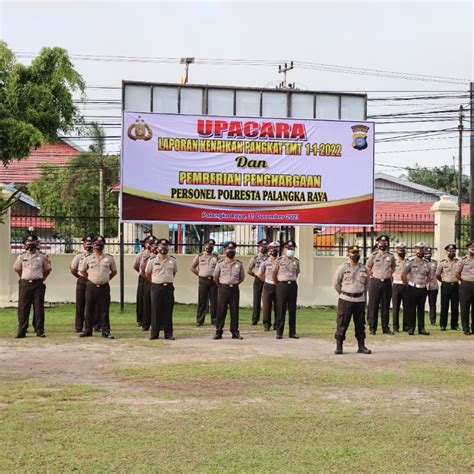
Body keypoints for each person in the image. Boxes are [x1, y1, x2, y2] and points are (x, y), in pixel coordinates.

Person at [333, 245, 371, 354]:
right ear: (348, 254)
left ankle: (361, 346)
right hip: (345, 299)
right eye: (353, 253)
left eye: (357, 253)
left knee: (360, 324)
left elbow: (367, 285)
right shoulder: (343, 268)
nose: (356, 255)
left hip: (359, 300)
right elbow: (336, 283)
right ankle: (339, 346)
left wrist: (359, 292)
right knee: (342, 323)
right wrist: (344, 293)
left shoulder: (363, 268)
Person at [13, 234, 52, 338]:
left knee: (39, 308)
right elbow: (17, 269)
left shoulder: (42, 257)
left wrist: (42, 278)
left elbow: (47, 269)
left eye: (32, 242)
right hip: (25, 284)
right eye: (28, 242)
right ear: (25, 244)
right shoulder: (21, 256)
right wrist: (24, 277)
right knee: (23, 308)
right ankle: (22, 331)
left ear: (36, 243)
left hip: (38, 285)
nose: (30, 244)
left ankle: (39, 330)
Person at [79, 235, 117, 339]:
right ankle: (87, 330)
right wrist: (91, 278)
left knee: (104, 310)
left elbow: (114, 271)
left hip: (104, 287)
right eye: (96, 244)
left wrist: (105, 278)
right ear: (93, 245)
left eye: (100, 244)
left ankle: (105, 331)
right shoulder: (88, 258)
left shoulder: (109, 258)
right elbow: (82, 271)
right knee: (89, 308)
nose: (98, 246)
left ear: (103, 245)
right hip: (91, 286)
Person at [145, 238, 177, 340]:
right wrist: (155, 281)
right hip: (156, 287)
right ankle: (154, 334)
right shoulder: (152, 260)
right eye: (161, 246)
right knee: (155, 310)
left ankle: (169, 334)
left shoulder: (173, 260)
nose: (163, 248)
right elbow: (147, 273)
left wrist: (166, 280)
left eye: (165, 246)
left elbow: (174, 273)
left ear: (168, 247)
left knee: (168, 310)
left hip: (168, 288)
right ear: (157, 247)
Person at [213, 241, 245, 340]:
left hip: (234, 289)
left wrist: (233, 283)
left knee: (234, 311)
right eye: (228, 249)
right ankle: (218, 332)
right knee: (221, 311)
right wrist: (222, 285)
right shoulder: (220, 263)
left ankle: (235, 332)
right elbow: (215, 277)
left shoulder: (239, 264)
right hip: (223, 288)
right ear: (225, 250)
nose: (230, 251)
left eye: (232, 249)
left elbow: (241, 277)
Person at [367, 234, 395, 335]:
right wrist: (372, 277)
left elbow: (393, 268)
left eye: (385, 242)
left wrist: (388, 276)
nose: (383, 244)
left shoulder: (391, 256)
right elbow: (368, 268)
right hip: (375, 282)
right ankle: (372, 328)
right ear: (377, 244)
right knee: (373, 305)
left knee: (385, 306)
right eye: (381, 242)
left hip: (387, 282)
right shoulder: (373, 255)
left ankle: (385, 328)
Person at [401, 242, 431, 335]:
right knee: (412, 309)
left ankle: (421, 329)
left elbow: (429, 276)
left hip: (422, 289)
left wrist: (425, 283)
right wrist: (408, 285)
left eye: (423, 249)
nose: (421, 251)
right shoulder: (410, 262)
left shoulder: (427, 263)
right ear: (415, 250)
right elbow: (403, 275)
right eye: (419, 249)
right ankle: (411, 328)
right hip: (412, 288)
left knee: (421, 309)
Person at [273, 239, 300, 339]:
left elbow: (297, 274)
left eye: (292, 248)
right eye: (289, 248)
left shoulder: (296, 261)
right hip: (282, 285)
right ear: (284, 249)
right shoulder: (279, 261)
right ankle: (279, 332)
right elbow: (274, 274)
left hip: (292, 285)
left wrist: (290, 281)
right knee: (281, 309)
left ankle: (292, 332)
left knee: (292, 310)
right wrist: (278, 284)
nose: (291, 250)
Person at [191, 238, 219, 326]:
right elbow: (192, 268)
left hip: (214, 281)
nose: (209, 247)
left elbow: (220, 268)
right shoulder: (199, 256)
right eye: (207, 245)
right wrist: (199, 274)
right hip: (203, 280)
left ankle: (214, 320)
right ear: (204, 246)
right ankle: (200, 320)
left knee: (214, 301)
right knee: (202, 300)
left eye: (211, 245)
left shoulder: (216, 257)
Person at [70, 235, 94, 333]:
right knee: (80, 304)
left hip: (93, 281)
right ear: (83, 244)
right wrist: (80, 277)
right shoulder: (79, 256)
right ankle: (78, 326)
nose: (88, 245)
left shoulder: (96, 255)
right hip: (82, 280)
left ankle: (94, 325)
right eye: (86, 243)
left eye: (90, 243)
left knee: (93, 304)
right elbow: (73, 269)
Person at [436, 244, 459, 331]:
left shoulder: (458, 262)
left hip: (455, 285)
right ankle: (443, 325)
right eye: (449, 251)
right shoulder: (442, 262)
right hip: (445, 285)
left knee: (455, 306)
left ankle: (454, 325)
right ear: (446, 252)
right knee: (444, 306)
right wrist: (443, 281)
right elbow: (437, 274)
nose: (451, 252)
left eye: (453, 251)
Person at [134, 235, 155, 330]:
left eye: (153, 243)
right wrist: (143, 274)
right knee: (142, 299)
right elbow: (136, 266)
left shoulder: (157, 254)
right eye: (149, 243)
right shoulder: (141, 254)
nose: (151, 245)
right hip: (143, 278)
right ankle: (141, 320)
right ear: (145, 244)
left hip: (154, 278)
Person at [258, 241, 279, 331]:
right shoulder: (265, 262)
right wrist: (266, 280)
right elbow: (260, 274)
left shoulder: (280, 261)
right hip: (268, 285)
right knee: (266, 306)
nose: (273, 250)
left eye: (275, 248)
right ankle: (266, 324)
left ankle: (277, 324)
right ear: (269, 250)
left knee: (278, 306)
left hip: (278, 285)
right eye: (272, 248)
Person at [248, 238, 269, 325]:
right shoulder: (255, 258)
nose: (263, 248)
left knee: (266, 301)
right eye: (262, 246)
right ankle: (255, 319)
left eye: (265, 246)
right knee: (256, 300)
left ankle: (266, 320)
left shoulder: (268, 258)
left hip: (267, 280)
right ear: (259, 247)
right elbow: (249, 270)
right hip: (257, 280)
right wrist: (256, 275)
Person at [455, 241, 474, 335]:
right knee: (465, 308)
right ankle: (466, 328)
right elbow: (457, 274)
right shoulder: (463, 260)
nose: (473, 249)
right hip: (466, 285)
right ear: (468, 249)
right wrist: (463, 281)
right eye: (471, 248)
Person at [391, 242, 407, 332]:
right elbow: (389, 272)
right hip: (396, 285)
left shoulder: (408, 261)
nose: (402, 251)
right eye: (400, 250)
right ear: (396, 250)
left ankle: (406, 326)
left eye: (403, 250)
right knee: (396, 307)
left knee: (406, 306)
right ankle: (395, 326)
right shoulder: (393, 261)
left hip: (405, 285)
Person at [424, 246, 439, 326]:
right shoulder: (422, 262)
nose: (428, 255)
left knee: (432, 304)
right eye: (426, 253)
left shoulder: (435, 262)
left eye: (430, 253)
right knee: (421, 304)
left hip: (433, 286)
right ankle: (420, 320)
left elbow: (438, 273)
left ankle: (433, 321)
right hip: (423, 285)